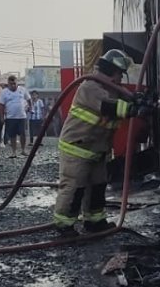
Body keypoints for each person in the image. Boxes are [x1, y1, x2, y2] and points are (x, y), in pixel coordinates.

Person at [53, 50, 151, 236]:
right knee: (74, 186)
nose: (120, 77)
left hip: (97, 149)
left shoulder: (112, 89)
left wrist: (141, 99)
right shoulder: (90, 87)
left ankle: (94, 221)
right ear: (111, 70)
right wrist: (134, 109)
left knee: (98, 186)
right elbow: (110, 106)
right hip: (77, 147)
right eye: (119, 73)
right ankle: (64, 225)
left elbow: (125, 99)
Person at [0, 75, 31, 159]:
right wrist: (2, 117)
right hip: (10, 117)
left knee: (23, 134)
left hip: (21, 116)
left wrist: (30, 108)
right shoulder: (4, 92)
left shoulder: (22, 90)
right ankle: (14, 152)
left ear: (17, 82)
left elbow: (28, 99)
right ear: (8, 83)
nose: (13, 85)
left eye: (14, 83)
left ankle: (23, 150)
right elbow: (1, 105)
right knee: (12, 135)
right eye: (11, 84)